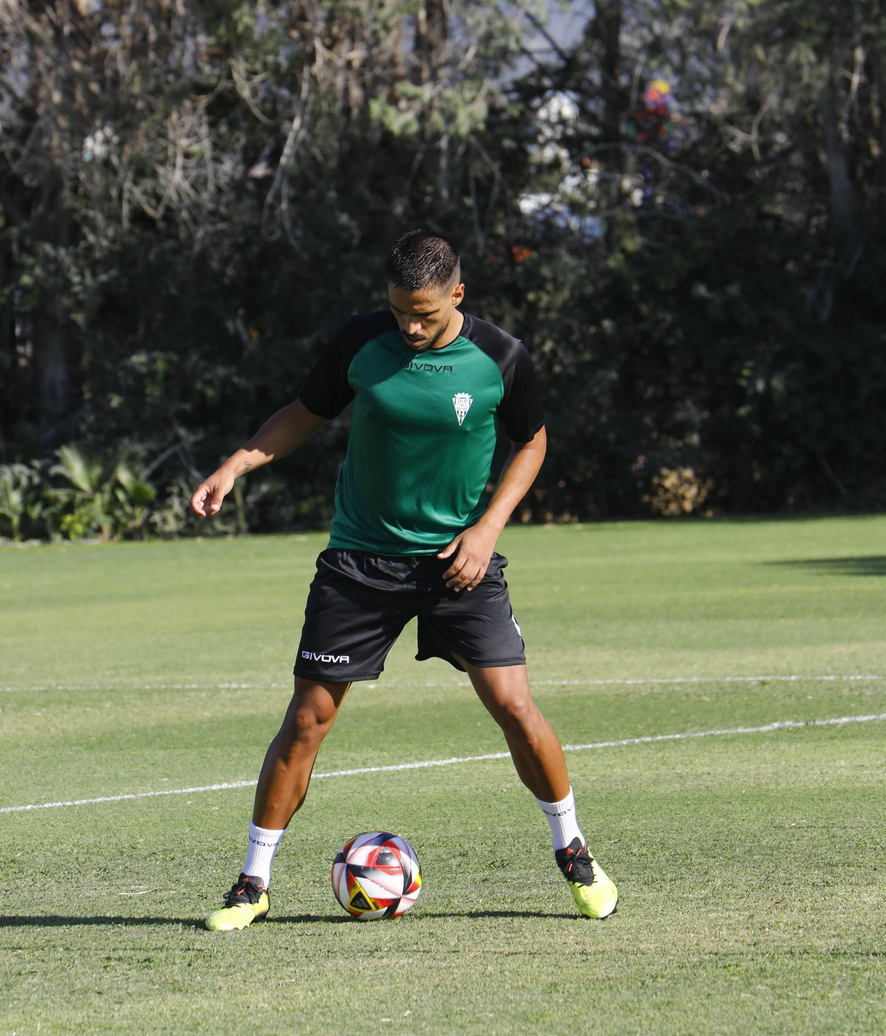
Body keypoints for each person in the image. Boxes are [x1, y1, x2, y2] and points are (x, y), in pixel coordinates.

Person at [189, 229, 618, 930]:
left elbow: (532, 441)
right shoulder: (363, 343)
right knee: (305, 721)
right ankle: (252, 884)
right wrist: (235, 465)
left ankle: (573, 851)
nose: (410, 328)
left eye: (424, 313)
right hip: (359, 561)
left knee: (514, 708)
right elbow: (305, 414)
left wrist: (486, 532)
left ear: (458, 293)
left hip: (458, 563)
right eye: (398, 313)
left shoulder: (501, 358)